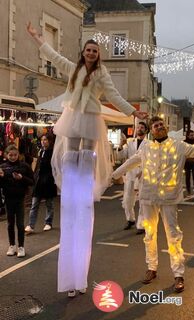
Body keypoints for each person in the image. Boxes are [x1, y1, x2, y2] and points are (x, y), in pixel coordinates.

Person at [27, 22, 147, 297]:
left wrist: (133, 112)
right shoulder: (75, 68)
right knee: (71, 150)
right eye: (88, 50)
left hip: (92, 116)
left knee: (88, 152)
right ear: (84, 52)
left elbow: (114, 95)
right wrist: (37, 38)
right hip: (73, 115)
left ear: (98, 54)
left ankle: (86, 175)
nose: (91, 53)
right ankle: (72, 176)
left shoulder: (102, 73)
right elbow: (54, 58)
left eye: (95, 50)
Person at [112, 116, 194, 293]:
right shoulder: (146, 146)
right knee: (149, 234)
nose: (159, 127)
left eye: (161, 125)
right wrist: (114, 174)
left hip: (169, 197)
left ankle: (178, 274)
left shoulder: (178, 145)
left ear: (165, 127)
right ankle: (151, 268)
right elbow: (132, 161)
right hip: (148, 196)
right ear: (151, 131)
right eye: (155, 126)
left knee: (173, 235)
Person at [0, 145, 34, 257]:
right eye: (10, 155)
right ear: (6, 155)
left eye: (15, 155)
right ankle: (12, 246)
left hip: (20, 199)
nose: (13, 157)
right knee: (10, 224)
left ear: (18, 154)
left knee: (20, 224)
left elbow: (32, 181)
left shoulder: (25, 166)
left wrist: (22, 178)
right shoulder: (3, 167)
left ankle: (21, 247)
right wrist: (1, 177)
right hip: (8, 199)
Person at [117, 122, 148, 233]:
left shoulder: (149, 144)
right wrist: (121, 145)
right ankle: (130, 219)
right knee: (127, 200)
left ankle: (141, 224)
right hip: (130, 175)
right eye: (138, 127)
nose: (140, 129)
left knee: (143, 201)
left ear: (146, 130)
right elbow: (121, 156)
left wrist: (144, 170)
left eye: (142, 127)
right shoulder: (130, 142)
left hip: (143, 175)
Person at [25, 134, 57, 234]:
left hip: (49, 181)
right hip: (39, 181)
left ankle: (48, 222)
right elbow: (38, 166)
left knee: (49, 204)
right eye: (42, 140)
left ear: (50, 141)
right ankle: (31, 225)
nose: (43, 142)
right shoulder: (41, 151)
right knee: (34, 204)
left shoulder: (53, 152)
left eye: (45, 140)